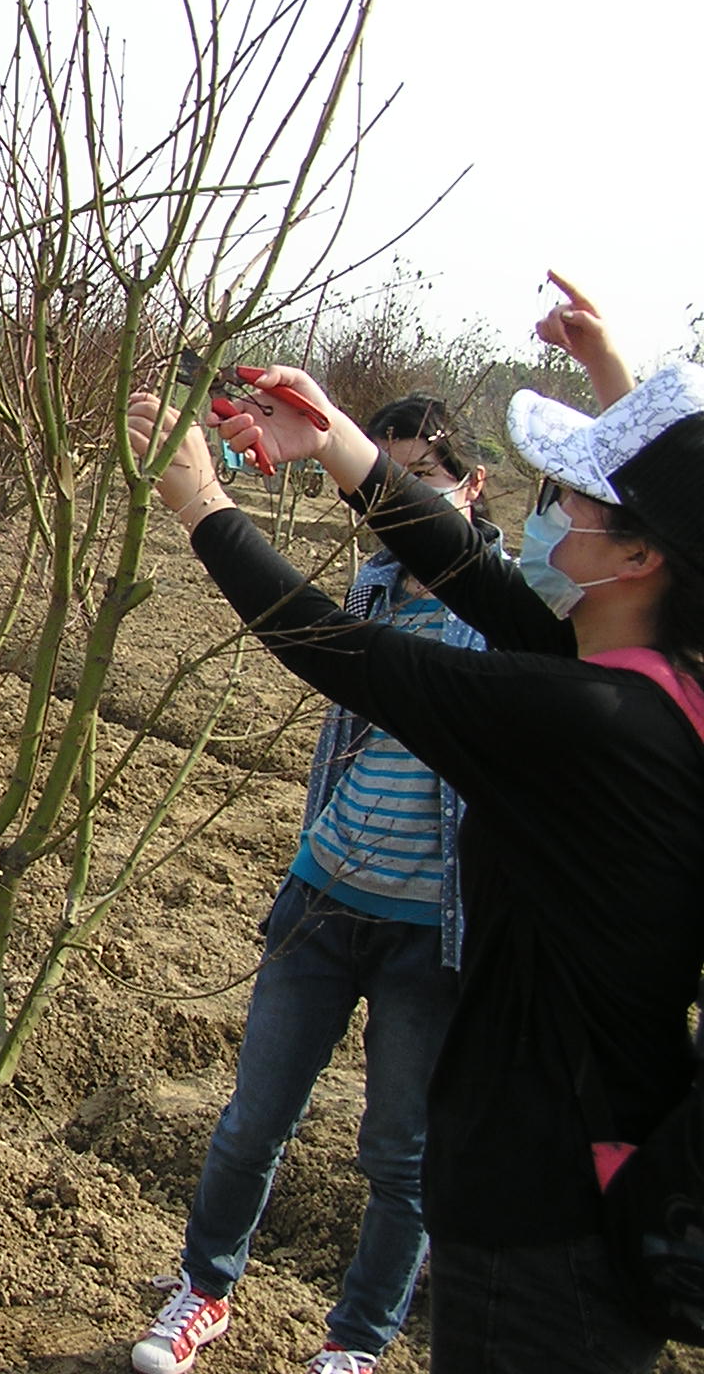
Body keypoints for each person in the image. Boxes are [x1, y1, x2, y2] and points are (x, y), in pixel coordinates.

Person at [129, 329, 704, 1372]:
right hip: (577, 1172)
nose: (549, 512)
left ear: (638, 556)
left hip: (546, 1212)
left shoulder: (590, 720)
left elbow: (349, 659)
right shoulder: (648, 686)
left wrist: (199, 507)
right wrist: (341, 445)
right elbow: (471, 576)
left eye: (578, 502)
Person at [136, 396, 496, 1374]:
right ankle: (202, 1290)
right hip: (322, 900)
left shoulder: (507, 615)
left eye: (420, 474)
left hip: (434, 933)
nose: (396, 498)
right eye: (382, 476)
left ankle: (354, 1346)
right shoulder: (374, 590)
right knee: (252, 1121)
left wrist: (207, 501)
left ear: (469, 486)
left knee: (397, 1156)